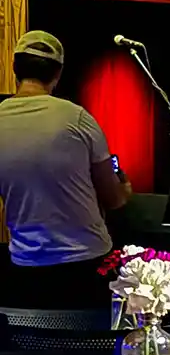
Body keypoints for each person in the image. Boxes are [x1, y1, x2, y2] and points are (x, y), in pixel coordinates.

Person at [0, 30, 132, 308]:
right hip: (86, 264)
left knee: (36, 348)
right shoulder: (78, 118)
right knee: (89, 349)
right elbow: (114, 198)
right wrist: (125, 187)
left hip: (25, 266)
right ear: (57, 74)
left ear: (14, 69)